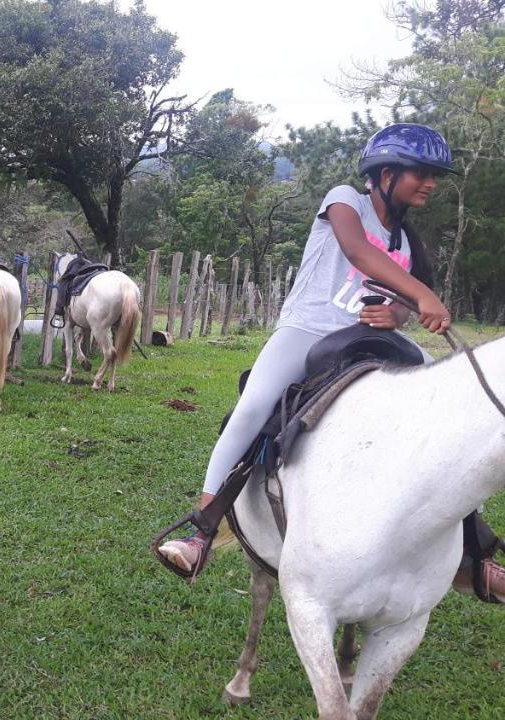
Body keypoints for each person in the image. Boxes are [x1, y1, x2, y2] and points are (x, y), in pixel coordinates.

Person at [155, 123, 505, 600]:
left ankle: (475, 554)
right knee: (253, 408)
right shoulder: (345, 200)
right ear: (384, 173)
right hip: (309, 328)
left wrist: (397, 311)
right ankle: (202, 532)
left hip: (367, 339)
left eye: (433, 176)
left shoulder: (405, 241)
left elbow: (397, 302)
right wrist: (422, 294)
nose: (430, 183)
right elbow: (356, 251)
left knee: (450, 412)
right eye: (420, 173)